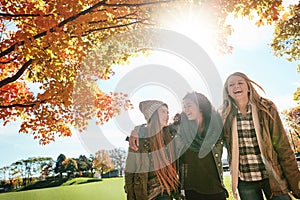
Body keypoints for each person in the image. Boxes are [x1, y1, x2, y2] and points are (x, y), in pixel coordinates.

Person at [129, 92, 228, 200]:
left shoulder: (216, 127)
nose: (186, 110)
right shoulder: (179, 127)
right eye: (184, 107)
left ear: (201, 105)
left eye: (189, 105)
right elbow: (156, 126)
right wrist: (137, 130)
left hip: (216, 188)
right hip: (191, 190)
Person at [221, 72, 300, 200]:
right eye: (231, 85)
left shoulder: (266, 108)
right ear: (227, 91)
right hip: (245, 181)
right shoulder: (224, 116)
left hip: (273, 177)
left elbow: (282, 146)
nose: (236, 86)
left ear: (248, 87)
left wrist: (296, 182)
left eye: (240, 83)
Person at [124, 100, 179, 200]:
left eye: (167, 112)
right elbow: (129, 171)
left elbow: (184, 120)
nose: (167, 115)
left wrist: (136, 128)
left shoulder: (170, 134)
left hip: (165, 192)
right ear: (153, 115)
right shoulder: (139, 138)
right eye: (162, 111)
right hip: (145, 193)